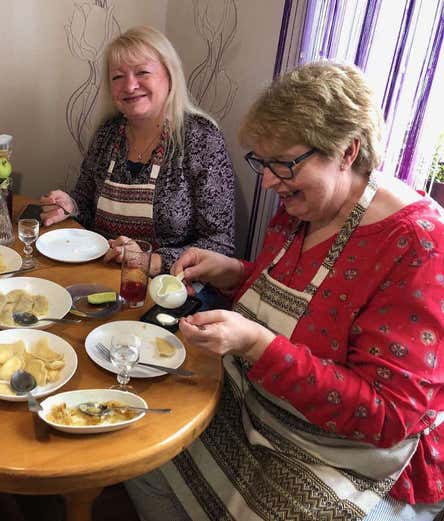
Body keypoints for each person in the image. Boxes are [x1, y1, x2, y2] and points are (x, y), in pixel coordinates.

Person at [125, 61, 444, 520]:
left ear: (347, 151)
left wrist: (256, 344)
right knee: (143, 446)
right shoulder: (304, 204)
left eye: (284, 164)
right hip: (259, 405)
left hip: (346, 455)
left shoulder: (415, 242)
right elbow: (302, 301)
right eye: (263, 162)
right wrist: (232, 272)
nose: (268, 181)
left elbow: (390, 417)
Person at [38, 25, 235, 277]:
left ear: (170, 76)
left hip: (169, 286)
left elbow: (219, 243)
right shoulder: (108, 133)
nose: (130, 86)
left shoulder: (201, 138)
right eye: (118, 77)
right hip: (102, 272)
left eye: (142, 72)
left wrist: (150, 260)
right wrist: (71, 206)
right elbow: (86, 207)